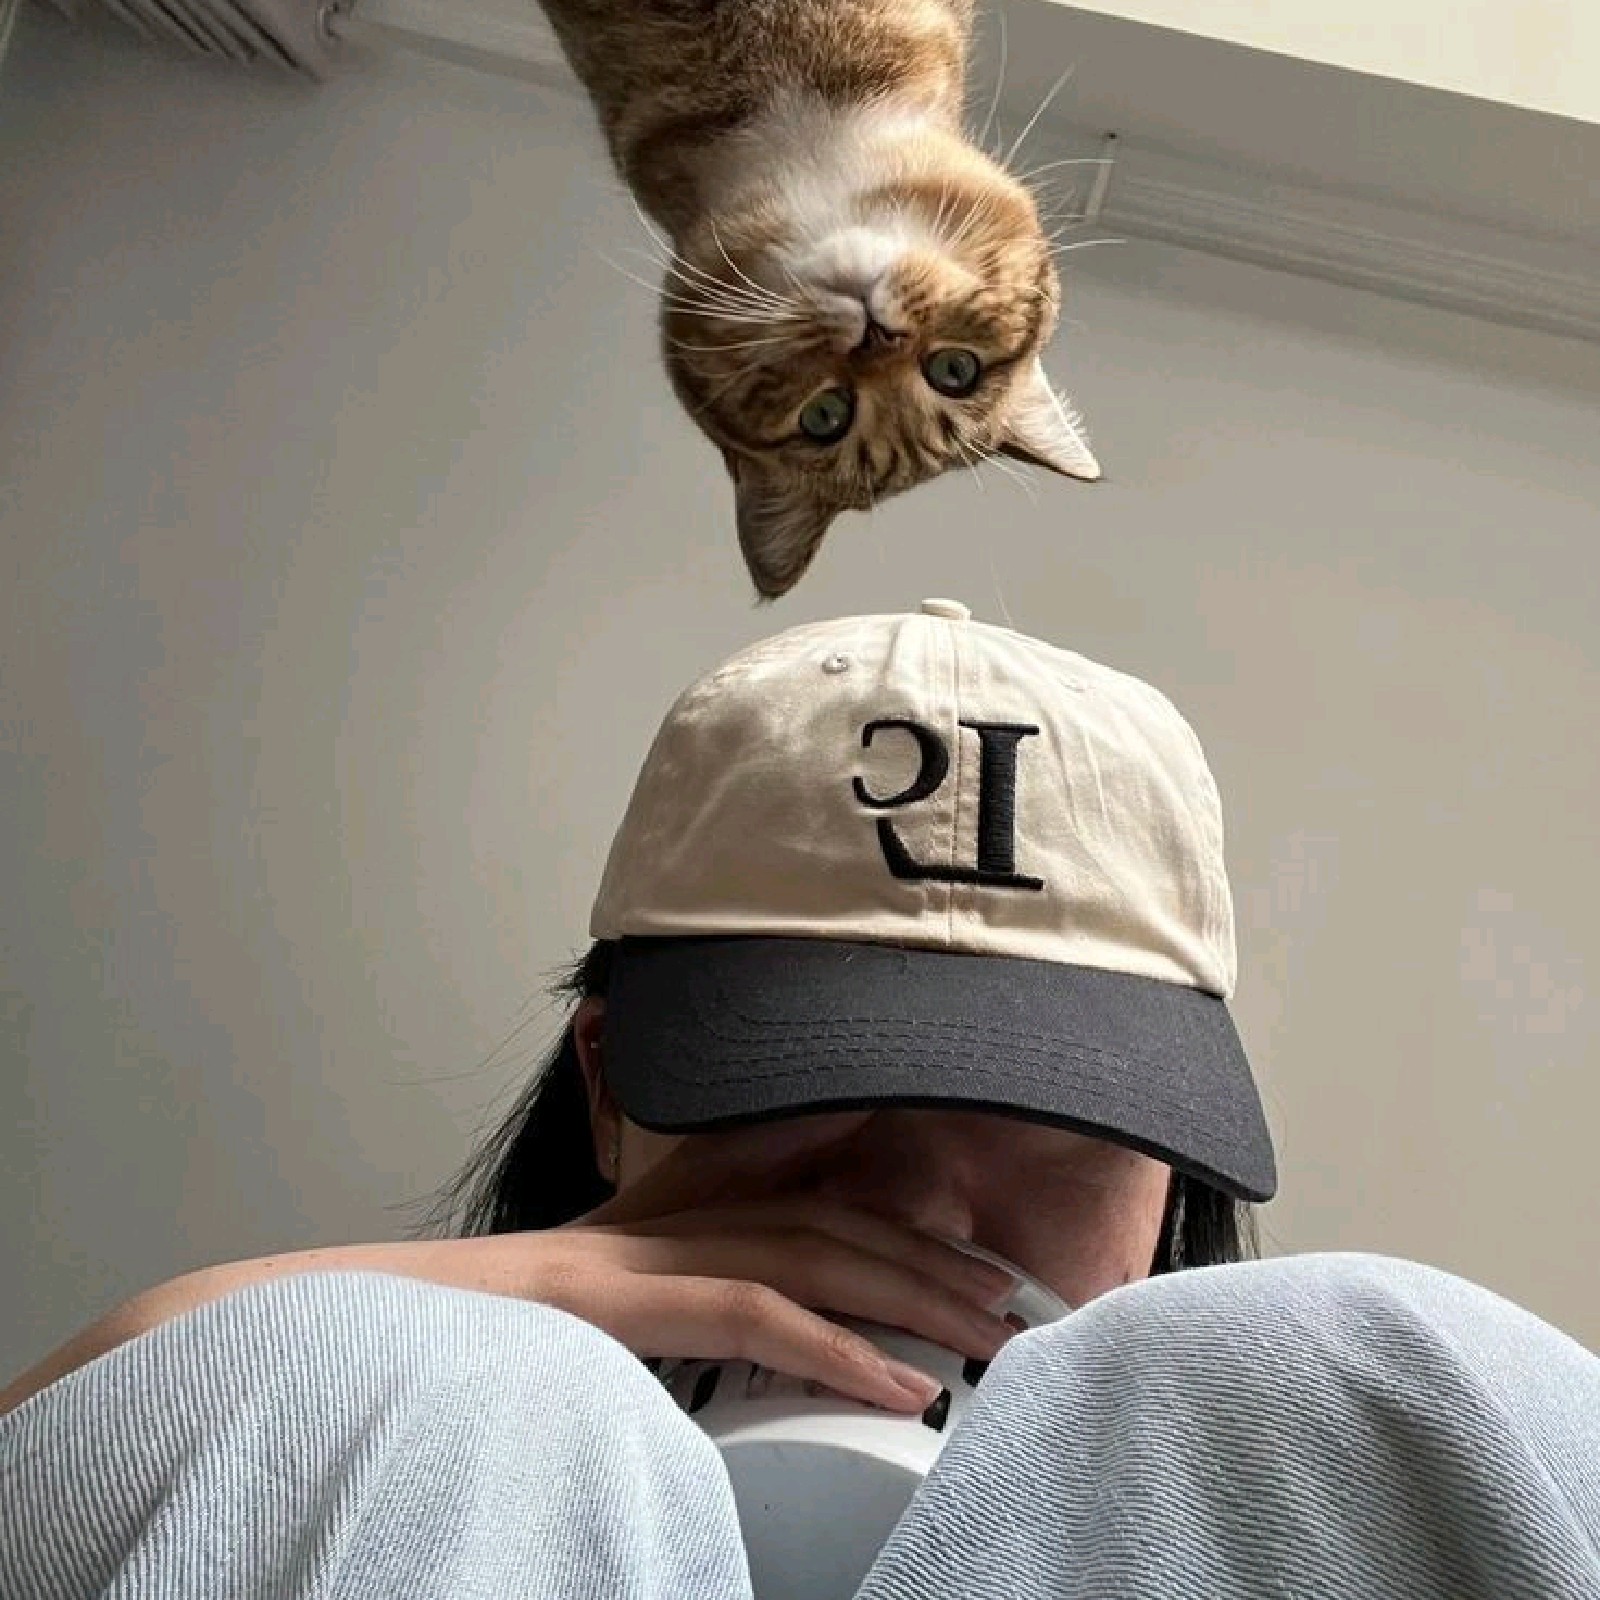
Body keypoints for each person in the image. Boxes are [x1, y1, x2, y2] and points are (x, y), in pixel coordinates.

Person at [3, 599, 1596, 1600]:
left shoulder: (1278, 1425)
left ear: (1173, 1186)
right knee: (403, 1382)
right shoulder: (454, 1423)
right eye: (807, 1085)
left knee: (1335, 1360)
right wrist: (359, 1311)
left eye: (1056, 1123)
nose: (910, 1211)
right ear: (611, 1089)